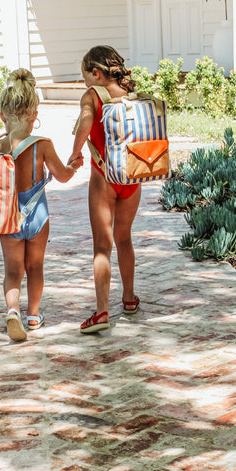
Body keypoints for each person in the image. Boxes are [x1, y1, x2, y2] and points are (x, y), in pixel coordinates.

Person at [0, 69, 82, 341]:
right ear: (35, 115)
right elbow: (62, 175)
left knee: (13, 270)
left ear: (2, 115)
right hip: (37, 215)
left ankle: (13, 311)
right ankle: (33, 315)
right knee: (35, 266)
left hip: (9, 216)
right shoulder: (42, 145)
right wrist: (73, 166)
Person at [68, 46, 141, 334]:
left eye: (85, 75)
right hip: (131, 177)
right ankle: (129, 298)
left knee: (102, 246)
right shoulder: (128, 92)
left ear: (96, 73)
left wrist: (75, 154)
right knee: (124, 240)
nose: (85, 81)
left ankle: (101, 312)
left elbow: (86, 121)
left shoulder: (92, 95)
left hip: (104, 176)